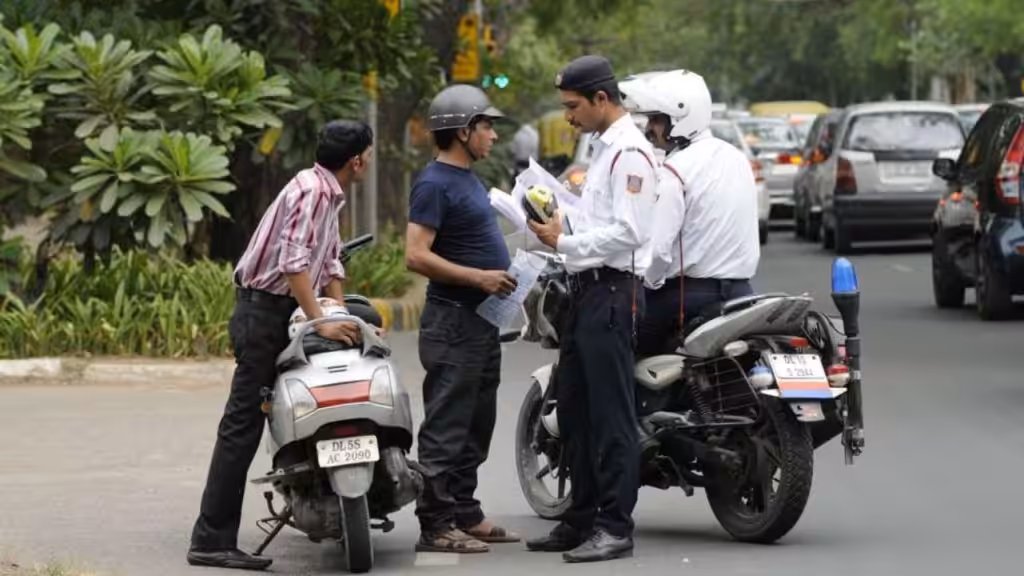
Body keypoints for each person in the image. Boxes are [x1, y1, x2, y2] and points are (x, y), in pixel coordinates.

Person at [187, 120, 374, 571]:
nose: (369, 161)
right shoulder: (311, 191)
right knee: (242, 426)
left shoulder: (327, 192)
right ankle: (210, 539)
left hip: (281, 310)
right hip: (264, 314)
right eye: (368, 154)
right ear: (357, 160)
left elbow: (329, 262)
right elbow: (293, 264)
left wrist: (340, 315)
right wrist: (321, 324)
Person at [525, 55, 657, 563]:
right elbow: (598, 219)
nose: (568, 117)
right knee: (575, 411)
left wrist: (565, 242)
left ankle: (615, 526)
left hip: (612, 293)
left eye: (573, 106)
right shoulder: (604, 150)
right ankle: (578, 519)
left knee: (610, 416)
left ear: (602, 99)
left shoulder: (631, 154)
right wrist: (561, 220)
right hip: (585, 291)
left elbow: (630, 232)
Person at [404, 84, 520, 554]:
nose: (493, 135)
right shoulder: (434, 183)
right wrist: (479, 278)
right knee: (447, 425)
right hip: (452, 323)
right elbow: (415, 255)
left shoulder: (467, 178)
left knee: (477, 422)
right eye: (486, 126)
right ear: (463, 131)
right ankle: (435, 524)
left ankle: (464, 511)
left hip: (480, 323)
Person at [619, 70, 761, 358]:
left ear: (680, 118)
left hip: (686, 298)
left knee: (619, 347)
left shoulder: (676, 170)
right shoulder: (736, 158)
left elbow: (658, 250)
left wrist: (645, 284)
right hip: (742, 294)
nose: (650, 128)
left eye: (656, 119)